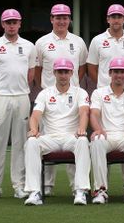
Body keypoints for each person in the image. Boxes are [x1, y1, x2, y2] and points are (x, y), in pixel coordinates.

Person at [34, 4, 88, 195]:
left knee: (76, 138)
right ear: (51, 19)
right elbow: (38, 70)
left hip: (72, 97)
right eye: (58, 17)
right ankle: (47, 186)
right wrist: (48, 89)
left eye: (65, 17)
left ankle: (76, 187)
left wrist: (72, 86)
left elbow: (81, 68)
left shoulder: (78, 41)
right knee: (46, 139)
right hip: (50, 99)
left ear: (69, 20)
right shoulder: (41, 42)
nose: (61, 21)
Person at [0, 9, 36, 199]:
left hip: (22, 97)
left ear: (20, 23)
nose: (12, 25)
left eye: (15, 22)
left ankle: (19, 186)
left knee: (21, 142)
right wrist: (2, 89)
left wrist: (18, 88)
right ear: (2, 24)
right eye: (8, 22)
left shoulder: (29, 46)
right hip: (0, 98)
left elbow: (31, 74)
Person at [23, 58, 90, 205]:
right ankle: (34, 192)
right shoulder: (45, 93)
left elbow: (84, 112)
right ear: (54, 73)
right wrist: (34, 130)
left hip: (71, 138)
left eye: (66, 72)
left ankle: (80, 191)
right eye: (60, 72)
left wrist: (82, 129)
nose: (63, 75)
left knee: (83, 141)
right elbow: (35, 116)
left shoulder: (80, 92)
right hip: (50, 138)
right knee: (31, 142)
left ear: (72, 73)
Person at [89, 57, 124, 204]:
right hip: (106, 135)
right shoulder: (98, 93)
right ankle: (100, 191)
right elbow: (93, 113)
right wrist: (98, 129)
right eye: (115, 72)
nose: (118, 75)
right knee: (97, 141)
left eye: (122, 72)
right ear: (110, 73)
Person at [87, 4, 124, 89]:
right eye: (113, 17)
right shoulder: (97, 40)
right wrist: (103, 86)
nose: (116, 20)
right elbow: (91, 69)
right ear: (108, 19)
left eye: (119, 17)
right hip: (104, 92)